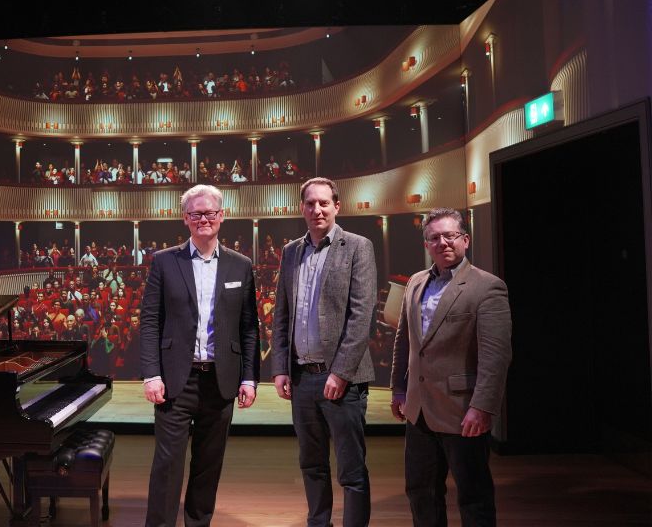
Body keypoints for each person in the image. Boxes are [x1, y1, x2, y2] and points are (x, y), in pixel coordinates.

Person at [140, 184, 259, 527]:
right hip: (176, 380)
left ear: (221, 216)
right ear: (185, 219)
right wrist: (151, 374)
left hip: (220, 382)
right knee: (167, 466)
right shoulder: (165, 261)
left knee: (208, 466)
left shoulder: (241, 265)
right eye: (195, 214)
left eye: (209, 213)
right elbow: (150, 321)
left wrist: (249, 377)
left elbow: (249, 326)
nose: (203, 219)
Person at [390, 208, 512, 527]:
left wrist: (482, 407)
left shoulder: (488, 287)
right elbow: (405, 342)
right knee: (421, 492)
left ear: (465, 240)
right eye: (434, 237)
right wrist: (400, 390)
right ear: (427, 244)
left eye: (450, 235)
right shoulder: (415, 283)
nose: (443, 242)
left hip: (463, 412)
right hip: (418, 410)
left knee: (473, 496)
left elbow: (495, 356)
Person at [271, 177, 376, 527]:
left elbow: (361, 316)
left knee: (351, 471)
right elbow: (282, 314)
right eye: (310, 203)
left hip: (342, 382)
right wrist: (281, 368)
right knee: (312, 465)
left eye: (324, 203)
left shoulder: (358, 247)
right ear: (302, 207)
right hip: (302, 379)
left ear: (336, 206)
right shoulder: (291, 251)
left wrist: (341, 373)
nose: (317, 209)